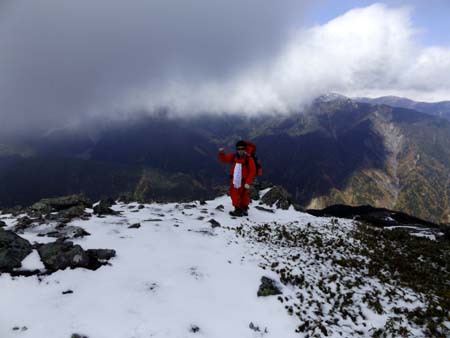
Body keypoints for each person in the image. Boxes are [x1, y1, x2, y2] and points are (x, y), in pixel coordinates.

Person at [218, 140, 257, 217]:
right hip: (235, 180)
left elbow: (252, 171)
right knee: (235, 194)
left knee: (244, 195)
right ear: (236, 149)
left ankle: (242, 209)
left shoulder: (249, 159)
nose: (240, 150)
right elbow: (224, 159)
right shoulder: (233, 156)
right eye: (238, 149)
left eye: (242, 148)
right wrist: (221, 153)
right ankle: (239, 209)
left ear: (245, 149)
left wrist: (248, 182)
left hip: (243, 181)